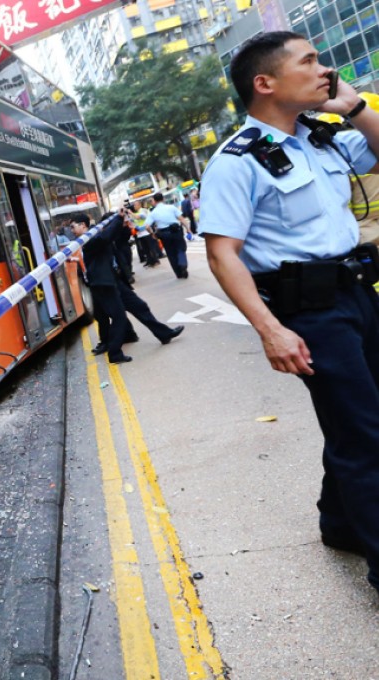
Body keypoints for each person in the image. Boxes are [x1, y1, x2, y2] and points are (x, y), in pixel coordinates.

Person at [199, 31, 379, 596]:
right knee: (365, 435)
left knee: (358, 420)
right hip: (311, 310)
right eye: (310, 61)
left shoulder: (322, 138)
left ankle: (339, 522)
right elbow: (221, 252)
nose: (324, 70)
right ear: (265, 83)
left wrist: (354, 108)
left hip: (360, 292)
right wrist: (270, 329)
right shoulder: (235, 161)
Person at [71, 212, 183, 363]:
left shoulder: (99, 234)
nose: (71, 230)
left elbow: (119, 235)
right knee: (119, 318)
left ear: (83, 225)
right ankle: (114, 353)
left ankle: (164, 334)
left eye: (73, 226)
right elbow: (105, 238)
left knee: (140, 306)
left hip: (114, 281)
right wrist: (117, 218)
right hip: (103, 284)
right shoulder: (88, 239)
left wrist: (122, 221)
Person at [144, 191, 190, 278]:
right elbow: (182, 219)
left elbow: (147, 226)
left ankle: (179, 273)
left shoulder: (153, 213)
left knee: (170, 253)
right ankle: (183, 265)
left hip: (164, 234)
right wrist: (188, 229)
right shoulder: (171, 207)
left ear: (155, 201)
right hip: (176, 231)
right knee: (180, 249)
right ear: (163, 199)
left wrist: (152, 233)